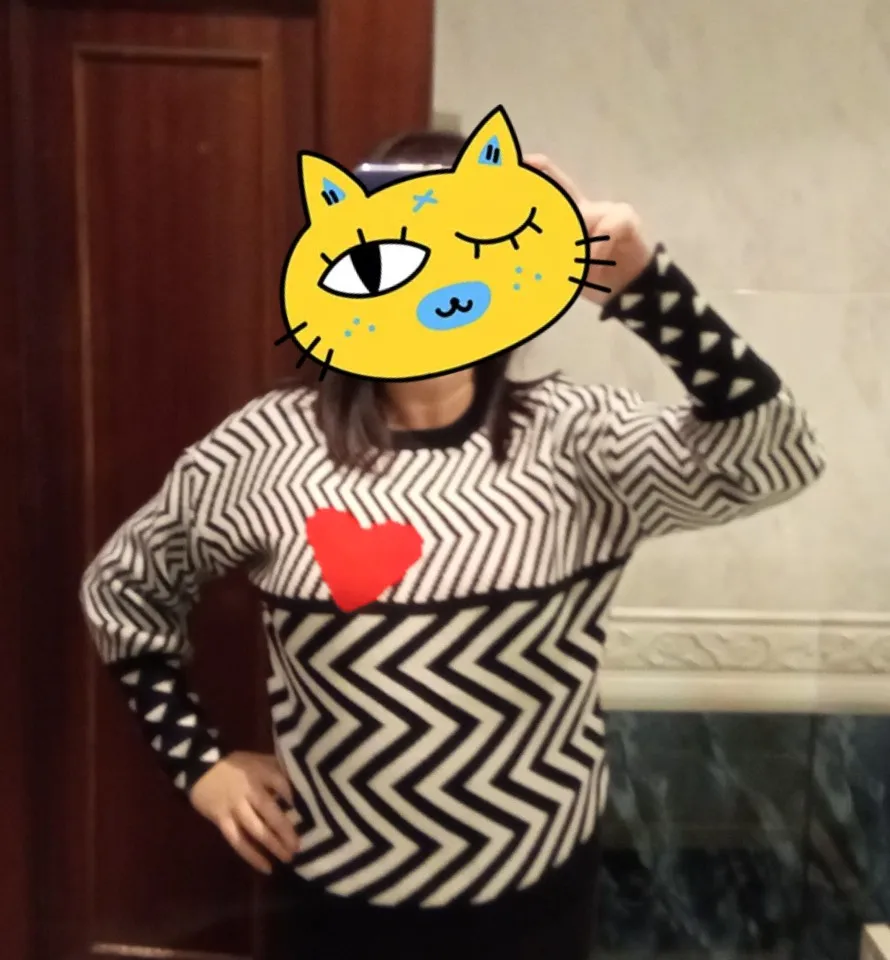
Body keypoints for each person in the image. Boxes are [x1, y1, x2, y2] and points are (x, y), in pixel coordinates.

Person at [79, 128, 826, 960]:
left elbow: (777, 455)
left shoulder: (578, 437)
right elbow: (123, 590)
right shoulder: (265, 449)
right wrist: (200, 766)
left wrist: (645, 286)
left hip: (538, 898)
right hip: (335, 899)